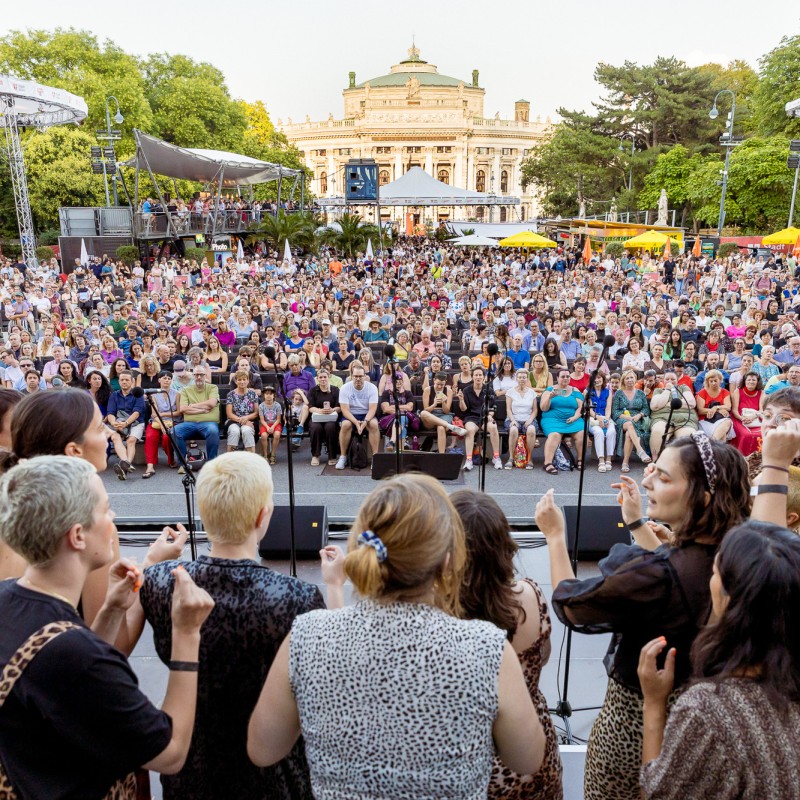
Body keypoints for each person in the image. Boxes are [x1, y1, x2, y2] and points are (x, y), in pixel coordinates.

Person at [247, 473, 546, 798]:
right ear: (447, 561)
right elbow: (527, 758)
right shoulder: (485, 648)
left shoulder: (307, 636)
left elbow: (263, 750)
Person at [538, 432, 750, 800]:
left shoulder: (654, 575)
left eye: (664, 478)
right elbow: (680, 577)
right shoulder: (742, 556)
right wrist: (637, 525)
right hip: (709, 734)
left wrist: (556, 537)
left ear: (702, 497)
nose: (647, 480)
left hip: (635, 733)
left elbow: (571, 605)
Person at [0, 455, 215, 799]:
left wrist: (113, 609)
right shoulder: (74, 655)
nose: (112, 518)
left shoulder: (9, 597)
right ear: (77, 536)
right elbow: (171, 752)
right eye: (106, 509)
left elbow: (72, 680)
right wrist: (186, 635)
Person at [141, 452, 324, 800]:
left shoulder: (160, 582)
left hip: (190, 767)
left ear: (204, 514)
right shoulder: (298, 598)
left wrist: (151, 562)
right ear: (262, 515)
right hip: (271, 776)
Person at [639, 521, 800, 799]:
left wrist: (653, 703)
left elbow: (658, 795)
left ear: (730, 599)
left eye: (714, 570)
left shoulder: (706, 712)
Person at [453, 489, 563, 800]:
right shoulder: (530, 595)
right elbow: (542, 656)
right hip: (533, 752)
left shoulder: (437, 613)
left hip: (469, 756)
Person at [540, 368, 585, 475]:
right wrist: (550, 398)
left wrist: (575, 417)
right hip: (552, 420)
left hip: (572, 419)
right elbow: (543, 408)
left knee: (581, 434)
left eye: (567, 376)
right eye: (563, 376)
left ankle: (580, 460)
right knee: (555, 435)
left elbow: (581, 407)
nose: (565, 378)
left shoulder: (575, 390)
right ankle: (548, 463)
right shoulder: (549, 390)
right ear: (557, 378)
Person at [174, 366, 220, 469]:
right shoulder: (185, 390)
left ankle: (211, 463)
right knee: (175, 431)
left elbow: (212, 403)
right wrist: (203, 410)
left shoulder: (213, 387)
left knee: (213, 431)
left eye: (201, 375)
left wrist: (193, 406)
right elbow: (183, 409)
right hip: (189, 423)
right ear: (193, 376)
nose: (199, 377)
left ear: (205, 375)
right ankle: (183, 463)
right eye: (196, 375)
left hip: (208, 423)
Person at [458, 365, 502, 471]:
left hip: (485, 416)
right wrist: (461, 400)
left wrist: (490, 415)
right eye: (476, 375)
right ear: (472, 377)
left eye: (480, 375)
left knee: (493, 427)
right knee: (469, 430)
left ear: (484, 377)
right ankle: (469, 460)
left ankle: (496, 457)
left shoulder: (489, 390)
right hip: (471, 417)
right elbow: (464, 409)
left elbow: (492, 407)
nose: (478, 377)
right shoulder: (466, 390)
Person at [336, 365, 379, 469]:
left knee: (373, 424)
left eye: (360, 376)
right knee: (346, 425)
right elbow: (345, 410)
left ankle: (375, 458)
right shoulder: (345, 388)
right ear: (351, 376)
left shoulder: (372, 388)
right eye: (355, 376)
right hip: (351, 414)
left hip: (366, 414)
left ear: (365, 376)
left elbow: (372, 409)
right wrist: (356, 422)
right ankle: (343, 456)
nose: (358, 378)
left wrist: (364, 422)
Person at [648, 370, 699, 457]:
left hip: (684, 419)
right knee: (658, 431)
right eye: (667, 379)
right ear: (663, 381)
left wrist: (666, 404)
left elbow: (690, 402)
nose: (670, 381)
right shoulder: (659, 391)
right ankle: (656, 460)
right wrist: (667, 390)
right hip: (662, 418)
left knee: (687, 437)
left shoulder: (683, 388)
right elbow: (654, 406)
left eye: (673, 379)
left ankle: (683, 465)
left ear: (677, 380)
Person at [106, 369, 146, 479]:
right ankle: (126, 463)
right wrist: (113, 422)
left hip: (135, 422)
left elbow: (137, 413)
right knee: (115, 437)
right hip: (118, 421)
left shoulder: (138, 394)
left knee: (131, 440)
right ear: (119, 381)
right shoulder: (114, 395)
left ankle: (124, 466)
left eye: (127, 380)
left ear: (132, 381)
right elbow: (110, 412)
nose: (124, 382)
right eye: (122, 380)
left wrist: (126, 423)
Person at [611, 369, 652, 472]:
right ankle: (640, 450)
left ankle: (625, 462)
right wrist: (628, 418)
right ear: (623, 381)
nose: (629, 380)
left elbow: (646, 409)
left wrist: (639, 415)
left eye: (631, 377)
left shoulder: (641, 393)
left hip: (637, 419)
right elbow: (615, 412)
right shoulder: (619, 393)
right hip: (622, 419)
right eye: (627, 378)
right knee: (629, 424)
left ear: (636, 379)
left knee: (630, 434)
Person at [143, 371, 179, 478]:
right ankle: (150, 466)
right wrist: (162, 425)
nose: (166, 380)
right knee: (150, 436)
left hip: (172, 421)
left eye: (169, 378)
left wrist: (164, 414)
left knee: (166, 437)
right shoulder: (153, 395)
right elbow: (154, 414)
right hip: (156, 422)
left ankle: (171, 459)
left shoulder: (177, 394)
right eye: (164, 378)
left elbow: (178, 412)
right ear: (159, 380)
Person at [420, 371, 463, 454]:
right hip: (431, 415)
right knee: (423, 413)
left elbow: (446, 411)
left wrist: (443, 402)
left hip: (444, 415)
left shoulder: (449, 391)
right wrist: (434, 404)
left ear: (445, 382)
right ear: (434, 380)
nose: (440, 387)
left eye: (442, 385)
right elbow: (426, 409)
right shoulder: (427, 390)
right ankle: (450, 426)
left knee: (440, 428)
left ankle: (441, 455)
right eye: (437, 384)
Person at [504, 369, 538, 469]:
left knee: (531, 430)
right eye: (519, 377)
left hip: (528, 419)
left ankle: (529, 458)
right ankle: (510, 458)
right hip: (513, 418)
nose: (522, 379)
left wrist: (530, 420)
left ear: (527, 379)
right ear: (516, 378)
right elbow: (508, 409)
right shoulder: (510, 392)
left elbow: (535, 410)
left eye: (524, 377)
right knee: (513, 429)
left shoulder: (532, 393)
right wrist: (513, 420)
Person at [307, 368, 340, 466]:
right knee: (315, 428)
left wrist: (332, 410)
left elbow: (340, 406)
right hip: (317, 416)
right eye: (320, 377)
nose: (323, 379)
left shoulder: (335, 390)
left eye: (325, 377)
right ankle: (315, 455)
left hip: (331, 416)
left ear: (329, 377)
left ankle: (332, 456)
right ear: (317, 379)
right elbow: (310, 407)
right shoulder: (313, 390)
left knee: (330, 427)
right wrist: (319, 411)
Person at [226, 370, 260, 453]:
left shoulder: (253, 394)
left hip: (250, 421)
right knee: (234, 431)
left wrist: (246, 418)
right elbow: (229, 414)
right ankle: (230, 460)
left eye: (244, 379)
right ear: (236, 381)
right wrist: (242, 421)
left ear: (248, 380)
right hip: (233, 421)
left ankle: (251, 458)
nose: (242, 382)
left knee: (246, 431)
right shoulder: (231, 394)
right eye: (239, 379)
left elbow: (256, 413)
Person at [588, 371, 616, 472]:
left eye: (599, 377)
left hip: (605, 417)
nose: (597, 380)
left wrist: (606, 419)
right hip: (592, 419)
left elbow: (608, 408)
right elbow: (589, 410)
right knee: (598, 432)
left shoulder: (608, 391)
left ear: (603, 379)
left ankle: (609, 458)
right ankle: (601, 460)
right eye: (595, 378)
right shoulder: (588, 391)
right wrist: (599, 418)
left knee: (611, 431)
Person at [730, 371, 763, 455]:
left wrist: (753, 417)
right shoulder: (738, 391)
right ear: (744, 381)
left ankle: (757, 457)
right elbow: (734, 410)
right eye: (748, 380)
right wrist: (742, 418)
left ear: (757, 382)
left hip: (755, 418)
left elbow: (761, 410)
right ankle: (741, 455)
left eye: (753, 380)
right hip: (739, 418)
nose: (751, 382)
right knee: (746, 434)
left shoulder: (762, 393)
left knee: (761, 434)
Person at [695, 369, 734, 441]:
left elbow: (728, 407)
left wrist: (716, 407)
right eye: (711, 381)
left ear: (720, 380)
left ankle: (712, 442)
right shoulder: (702, 393)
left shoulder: (725, 392)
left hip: (720, 420)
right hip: (705, 420)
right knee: (722, 435)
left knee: (727, 422)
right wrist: (719, 410)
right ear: (707, 382)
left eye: (715, 380)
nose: (713, 383)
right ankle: (715, 445)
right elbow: (700, 410)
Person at [258, 386, 283, 465]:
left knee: (277, 435)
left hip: (275, 423)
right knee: (264, 436)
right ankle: (265, 454)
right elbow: (262, 420)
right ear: (264, 395)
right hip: (265, 424)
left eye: (271, 394)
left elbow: (278, 419)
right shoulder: (261, 406)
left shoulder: (277, 405)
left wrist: (272, 427)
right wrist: (268, 427)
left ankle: (273, 454)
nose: (268, 396)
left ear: (274, 395)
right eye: (266, 394)